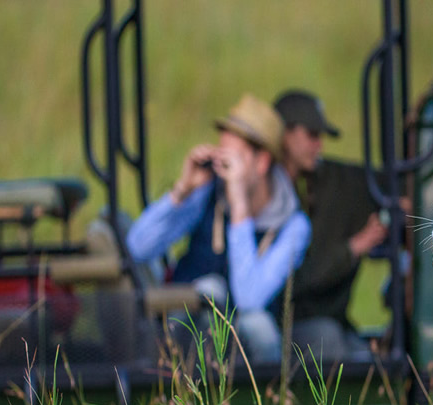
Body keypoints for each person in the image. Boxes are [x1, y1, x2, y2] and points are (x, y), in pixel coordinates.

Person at [126, 94, 311, 363]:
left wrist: (239, 210)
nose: (223, 168)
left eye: (233, 159)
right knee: (202, 293)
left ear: (262, 163)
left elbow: (249, 299)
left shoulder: (293, 226)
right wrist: (182, 191)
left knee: (258, 325)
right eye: (220, 155)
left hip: (244, 354)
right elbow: (137, 248)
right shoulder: (208, 194)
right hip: (185, 336)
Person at [273, 89, 388, 361]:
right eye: (312, 135)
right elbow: (297, 280)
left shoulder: (324, 183)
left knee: (364, 358)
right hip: (285, 321)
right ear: (285, 134)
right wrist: (355, 247)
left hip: (325, 321)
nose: (319, 146)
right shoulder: (264, 193)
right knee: (329, 339)